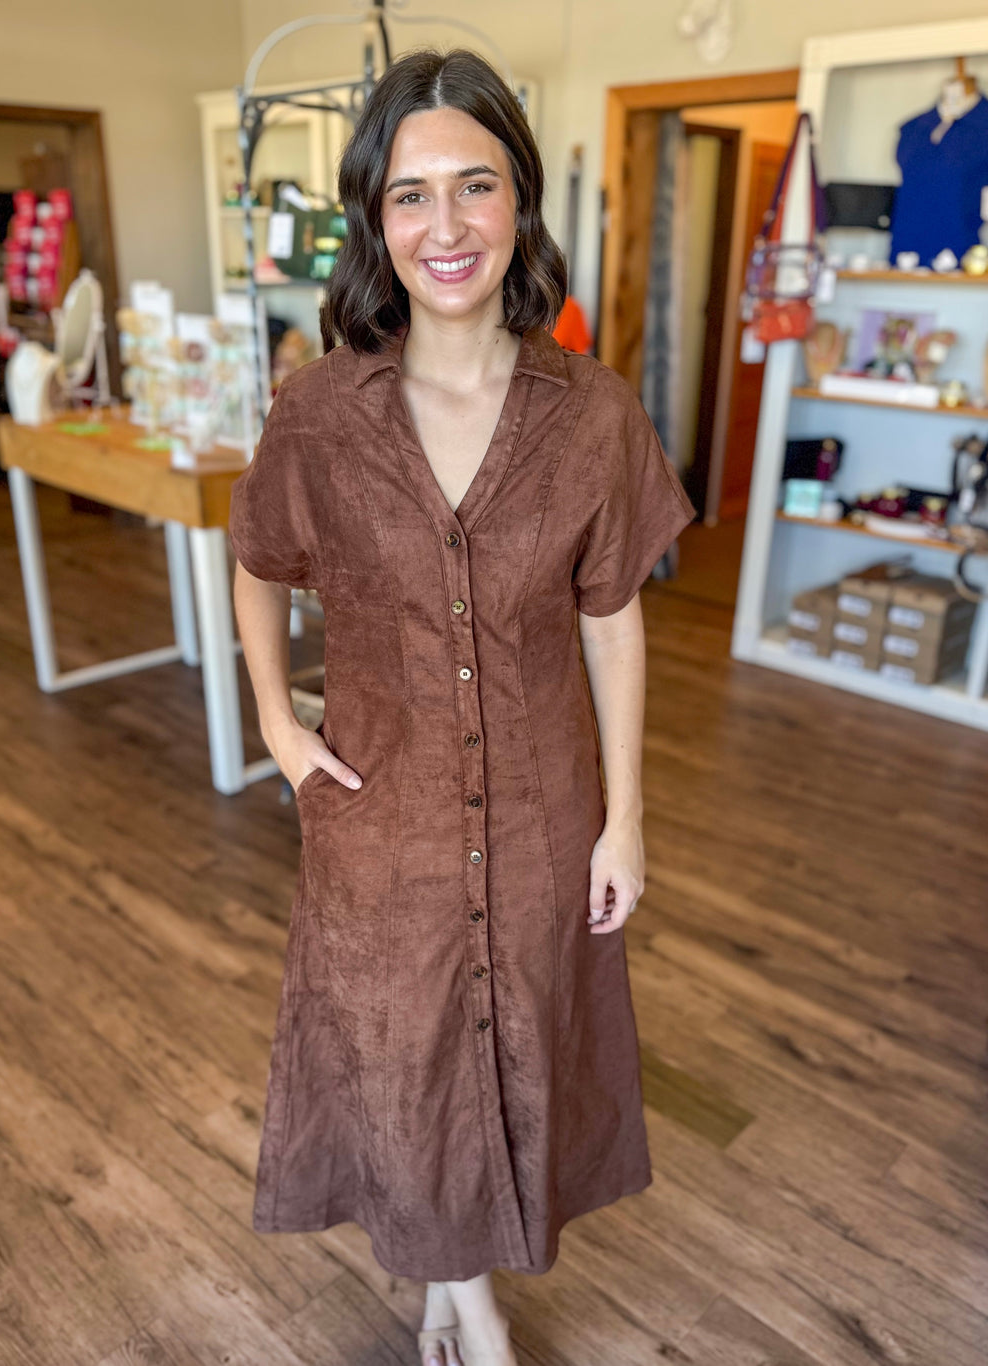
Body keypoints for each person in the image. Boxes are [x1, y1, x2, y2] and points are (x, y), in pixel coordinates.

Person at [228, 47, 696, 1366]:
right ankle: (475, 1313)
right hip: (382, 816)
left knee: (514, 1055)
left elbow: (613, 616)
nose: (447, 225)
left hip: (545, 812)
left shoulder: (593, 415)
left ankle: (446, 1284)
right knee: (408, 1060)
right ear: (376, 221)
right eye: (411, 194)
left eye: (475, 186)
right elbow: (257, 562)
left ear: (520, 200)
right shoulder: (319, 413)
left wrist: (625, 817)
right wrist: (277, 724)